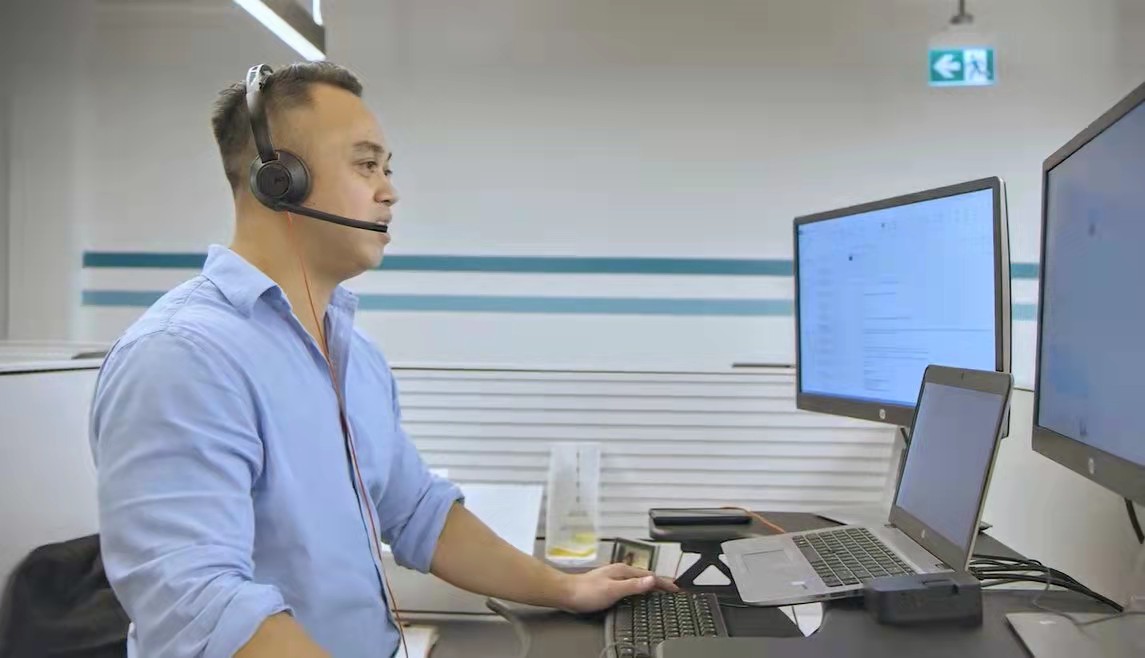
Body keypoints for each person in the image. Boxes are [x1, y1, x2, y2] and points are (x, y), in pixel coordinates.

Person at [89, 61, 677, 658]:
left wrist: (566, 589)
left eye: (387, 168)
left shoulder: (352, 355)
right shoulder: (182, 358)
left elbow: (421, 513)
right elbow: (199, 607)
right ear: (279, 180)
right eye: (366, 164)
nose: (389, 190)